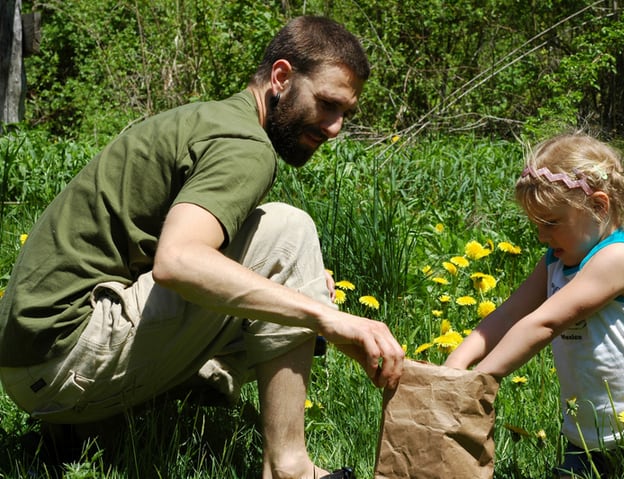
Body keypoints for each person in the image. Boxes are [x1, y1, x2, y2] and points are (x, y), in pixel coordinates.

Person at [0, 16, 404, 479]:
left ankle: (99, 430)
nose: (334, 127)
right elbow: (178, 262)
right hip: (65, 358)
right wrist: (326, 317)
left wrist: (302, 291)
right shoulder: (246, 146)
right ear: (281, 77)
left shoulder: (211, 119)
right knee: (288, 232)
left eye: (345, 115)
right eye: (327, 104)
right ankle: (289, 467)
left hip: (32, 361)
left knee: (283, 273)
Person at [445, 133, 624, 478]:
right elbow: (511, 313)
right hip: (587, 441)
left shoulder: (618, 257)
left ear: (599, 207)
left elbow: (544, 323)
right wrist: (457, 362)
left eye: (552, 223)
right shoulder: (555, 263)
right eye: (536, 225)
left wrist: (482, 378)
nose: (542, 235)